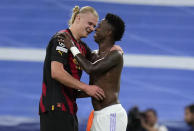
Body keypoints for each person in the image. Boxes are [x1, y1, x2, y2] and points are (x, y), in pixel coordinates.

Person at [39, 6, 105, 131]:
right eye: (90, 23)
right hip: (56, 108)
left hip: (70, 110)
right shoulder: (62, 39)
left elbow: (98, 62)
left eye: (94, 26)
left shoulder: (82, 47)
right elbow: (57, 72)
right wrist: (86, 87)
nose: (92, 28)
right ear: (78, 18)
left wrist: (114, 50)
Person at [58, 13, 127, 131]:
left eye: (100, 25)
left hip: (111, 114)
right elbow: (93, 89)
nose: (96, 28)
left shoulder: (116, 55)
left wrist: (72, 46)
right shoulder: (95, 55)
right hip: (98, 115)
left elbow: (90, 68)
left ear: (109, 32)